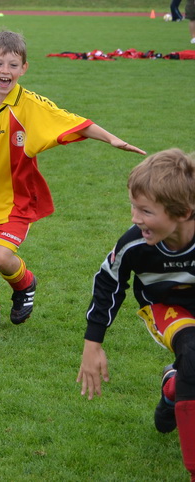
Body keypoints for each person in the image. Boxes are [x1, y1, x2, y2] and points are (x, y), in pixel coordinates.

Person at [0, 30, 145, 329]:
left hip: (18, 199)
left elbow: (69, 120)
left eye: (13, 65)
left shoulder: (30, 106)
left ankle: (25, 284)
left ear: (23, 68)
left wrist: (111, 138)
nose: (5, 71)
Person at [76, 148, 195, 480]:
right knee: (192, 352)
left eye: (145, 210)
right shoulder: (134, 244)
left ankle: (173, 388)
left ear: (183, 212)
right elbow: (108, 282)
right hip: (166, 308)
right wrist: (92, 344)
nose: (134, 218)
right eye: (133, 206)